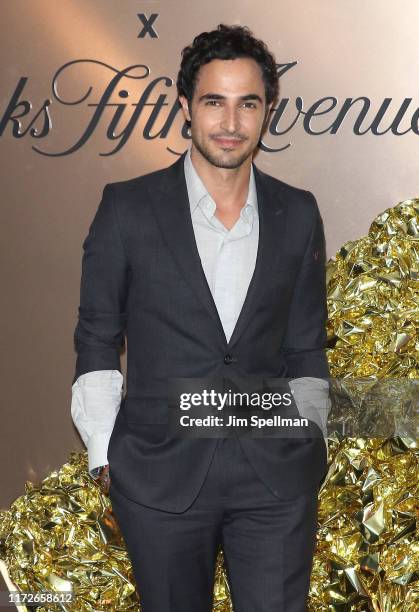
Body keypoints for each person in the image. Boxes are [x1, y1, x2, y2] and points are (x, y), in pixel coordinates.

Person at [71, 24, 331, 612]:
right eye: (214, 102)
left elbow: (306, 344)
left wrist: (310, 438)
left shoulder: (298, 212)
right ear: (186, 106)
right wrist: (103, 453)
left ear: (267, 112)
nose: (231, 123)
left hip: (275, 477)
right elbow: (96, 337)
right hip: (160, 475)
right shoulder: (128, 208)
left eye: (248, 104)